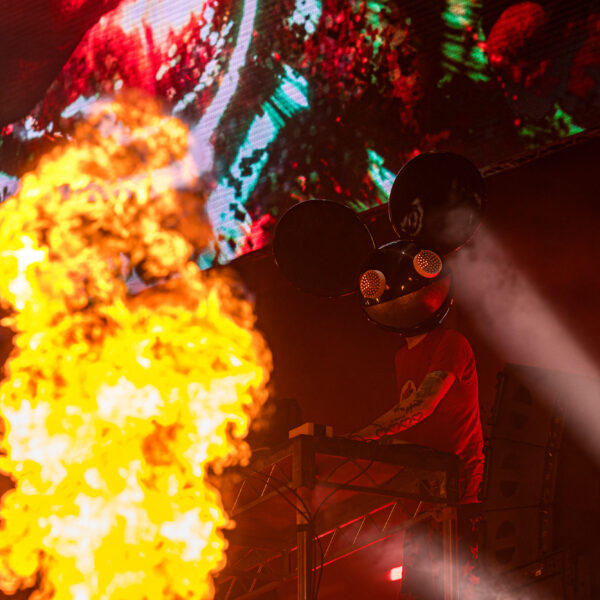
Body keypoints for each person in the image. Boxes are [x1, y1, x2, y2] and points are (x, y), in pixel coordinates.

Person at [356, 325, 484, 504]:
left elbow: (423, 403)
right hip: (421, 487)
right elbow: (412, 424)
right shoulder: (401, 356)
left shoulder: (450, 342)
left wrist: (360, 437)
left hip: (459, 486)